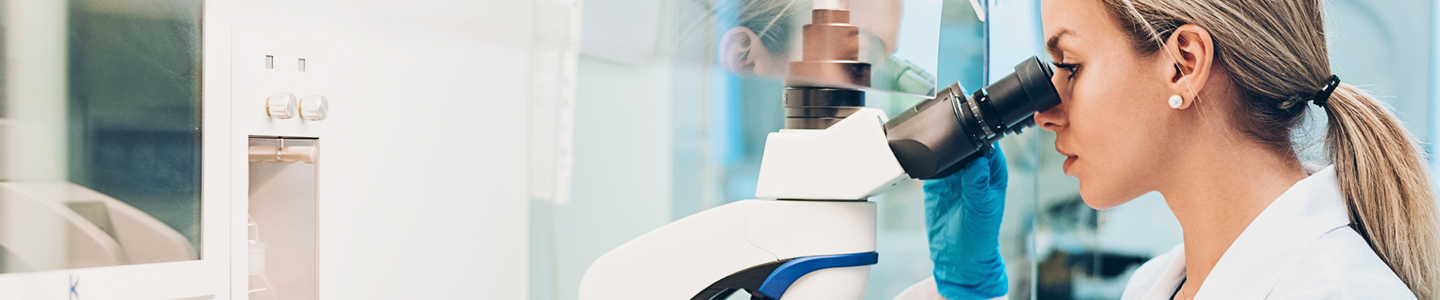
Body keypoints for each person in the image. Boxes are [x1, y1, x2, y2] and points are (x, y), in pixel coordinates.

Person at [901, 0, 1440, 299]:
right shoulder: (1156, 285)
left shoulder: (1336, 292)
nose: (1043, 112)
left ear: (1183, 62)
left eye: (1069, 66)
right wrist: (965, 295)